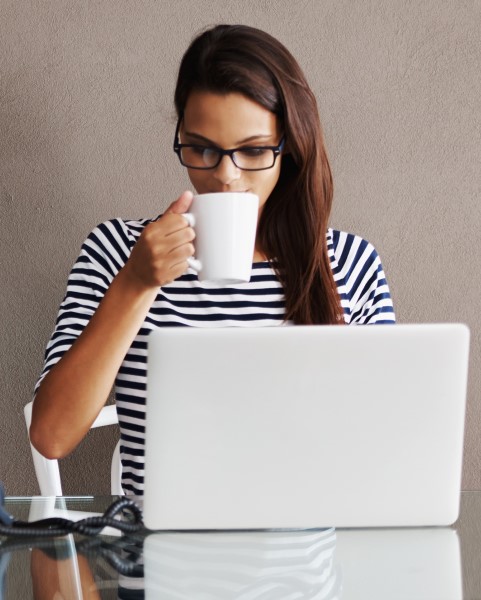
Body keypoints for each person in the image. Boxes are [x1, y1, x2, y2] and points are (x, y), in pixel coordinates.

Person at [30, 24, 396, 495]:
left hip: (305, 557)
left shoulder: (349, 264)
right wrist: (136, 284)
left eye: (254, 150)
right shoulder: (117, 251)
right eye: (202, 148)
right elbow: (51, 436)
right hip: (158, 558)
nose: (226, 175)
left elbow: (384, 446)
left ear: (291, 147)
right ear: (180, 135)